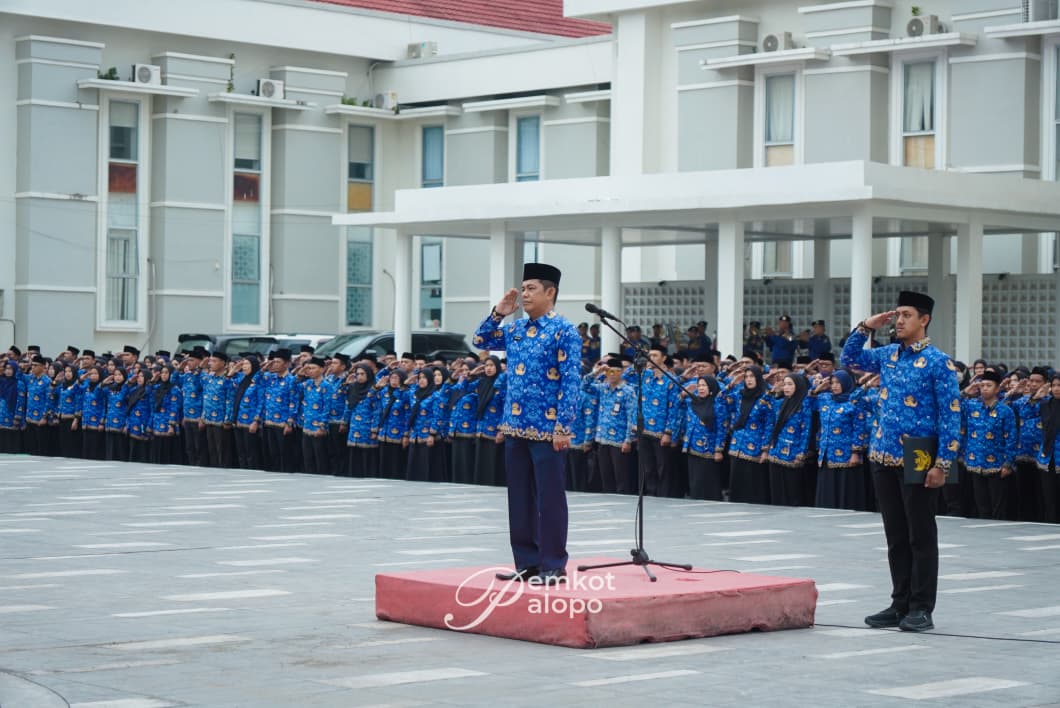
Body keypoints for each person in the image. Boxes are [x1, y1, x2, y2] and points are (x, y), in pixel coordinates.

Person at [842, 290, 961, 633]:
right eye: (897, 315)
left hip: (921, 451)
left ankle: (922, 607)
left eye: (906, 315)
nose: (899, 321)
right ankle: (899, 603)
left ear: (924, 320)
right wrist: (866, 326)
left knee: (920, 533)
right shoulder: (888, 354)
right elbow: (850, 358)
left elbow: (951, 416)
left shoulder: (939, 362)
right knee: (895, 534)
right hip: (883, 452)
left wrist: (943, 464)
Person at [473, 262, 581, 584]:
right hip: (515, 425)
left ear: (551, 292)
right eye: (523, 288)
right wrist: (499, 312)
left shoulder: (564, 330)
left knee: (549, 498)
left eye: (532, 288)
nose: (525, 293)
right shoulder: (517, 329)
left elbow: (571, 381)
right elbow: (481, 340)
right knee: (518, 498)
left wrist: (564, 426)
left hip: (548, 430)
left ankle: (553, 564)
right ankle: (527, 561)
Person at [959, 369, 1017, 520]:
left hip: (997, 464)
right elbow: (952, 405)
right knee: (981, 505)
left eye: (989, 385)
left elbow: (1011, 438)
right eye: (982, 385)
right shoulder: (971, 406)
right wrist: (966, 392)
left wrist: (1008, 463)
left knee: (997, 506)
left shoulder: (1005, 411)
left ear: (997, 388)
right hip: (975, 461)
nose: (984, 388)